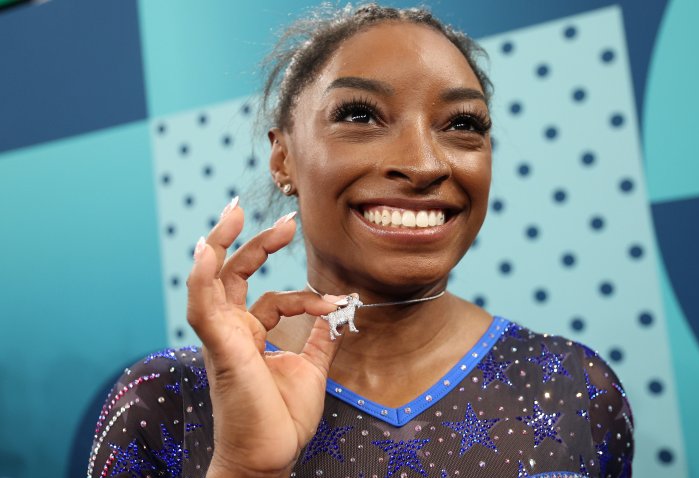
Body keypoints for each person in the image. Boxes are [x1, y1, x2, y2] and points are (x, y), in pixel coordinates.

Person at [87, 4, 633, 477]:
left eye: (462, 124)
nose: (422, 164)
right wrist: (244, 470)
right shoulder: (165, 400)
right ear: (284, 158)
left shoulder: (576, 387)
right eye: (359, 115)